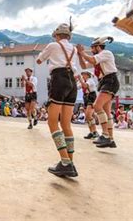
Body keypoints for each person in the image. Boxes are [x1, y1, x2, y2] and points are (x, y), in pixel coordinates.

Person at [36, 22, 80, 177]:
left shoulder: (53, 45)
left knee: (52, 121)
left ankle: (65, 162)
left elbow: (39, 60)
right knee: (66, 124)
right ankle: (70, 162)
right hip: (72, 81)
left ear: (57, 35)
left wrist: (43, 56)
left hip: (59, 79)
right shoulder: (74, 49)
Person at [77, 36, 120, 149]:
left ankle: (105, 135)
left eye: (92, 47)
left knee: (97, 106)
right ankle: (110, 139)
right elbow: (84, 66)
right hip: (106, 81)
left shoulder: (106, 53)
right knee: (106, 111)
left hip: (109, 80)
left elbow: (92, 60)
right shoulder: (99, 57)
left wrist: (82, 52)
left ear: (98, 47)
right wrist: (80, 55)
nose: (91, 50)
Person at [77, 70, 99, 139]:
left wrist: (80, 79)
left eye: (83, 74)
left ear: (87, 75)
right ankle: (91, 132)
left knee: (89, 114)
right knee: (87, 116)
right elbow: (77, 87)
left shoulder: (90, 80)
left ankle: (95, 131)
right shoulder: (85, 81)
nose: (82, 76)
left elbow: (84, 86)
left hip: (91, 96)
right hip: (86, 97)